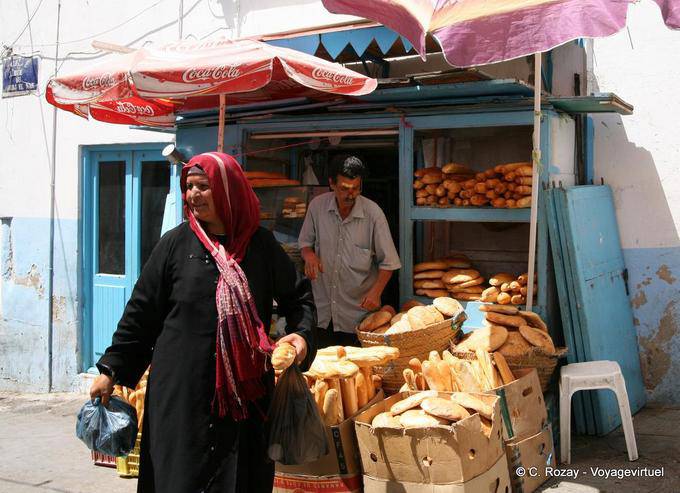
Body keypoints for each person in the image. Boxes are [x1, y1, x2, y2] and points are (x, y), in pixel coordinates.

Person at [89, 152, 317, 493]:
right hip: (181, 396)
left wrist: (300, 337)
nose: (193, 195)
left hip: (245, 398)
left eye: (204, 187)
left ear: (229, 191)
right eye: (189, 187)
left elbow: (299, 299)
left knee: (240, 479)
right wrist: (111, 369)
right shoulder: (175, 245)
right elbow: (141, 313)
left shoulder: (261, 247)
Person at [298, 154, 400, 348]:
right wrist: (309, 255)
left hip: (358, 316)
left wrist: (376, 292)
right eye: (344, 189)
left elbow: (389, 263)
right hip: (323, 313)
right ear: (332, 184)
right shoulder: (317, 207)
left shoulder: (373, 214)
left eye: (356, 188)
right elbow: (304, 242)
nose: (350, 194)